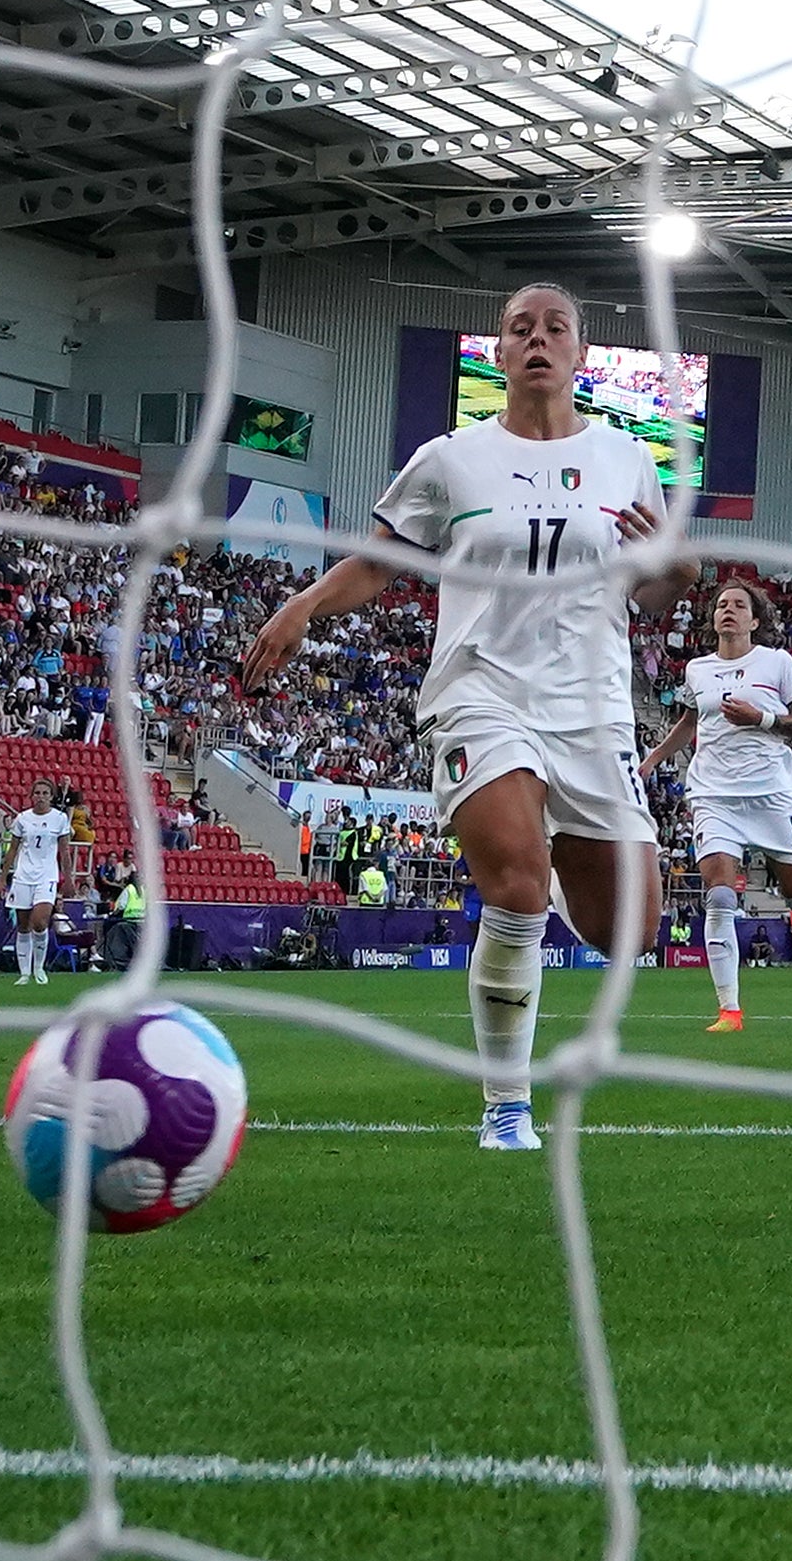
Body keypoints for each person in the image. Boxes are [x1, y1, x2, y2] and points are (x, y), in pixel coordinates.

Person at [244, 281, 685, 1149]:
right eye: (520, 327)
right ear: (498, 351)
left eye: (556, 327)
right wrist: (303, 605)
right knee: (514, 886)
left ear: (582, 355)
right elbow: (379, 562)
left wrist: (680, 570)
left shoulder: (628, 458)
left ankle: (548, 853)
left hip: (592, 711)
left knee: (626, 931)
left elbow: (662, 586)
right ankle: (506, 1106)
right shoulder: (451, 458)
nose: (538, 339)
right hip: (481, 691)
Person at [642, 579, 792, 1037]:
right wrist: (652, 760)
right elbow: (689, 722)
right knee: (720, 897)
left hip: (771, 793)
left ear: (755, 620)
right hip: (713, 794)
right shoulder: (697, 670)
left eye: (738, 605)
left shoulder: (777, 663)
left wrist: (762, 718)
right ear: (713, 619)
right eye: (721, 605)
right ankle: (729, 1009)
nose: (728, 610)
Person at [2, 779, 72, 985]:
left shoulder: (59, 818)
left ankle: (39, 968)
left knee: (40, 922)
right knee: (23, 926)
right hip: (23, 876)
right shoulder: (23, 818)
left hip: (46, 876)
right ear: (32, 796)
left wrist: (68, 879)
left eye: (45, 793)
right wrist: (2, 878)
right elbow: (13, 849)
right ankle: (24, 973)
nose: (41, 796)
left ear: (51, 796)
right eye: (37, 793)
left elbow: (65, 850)